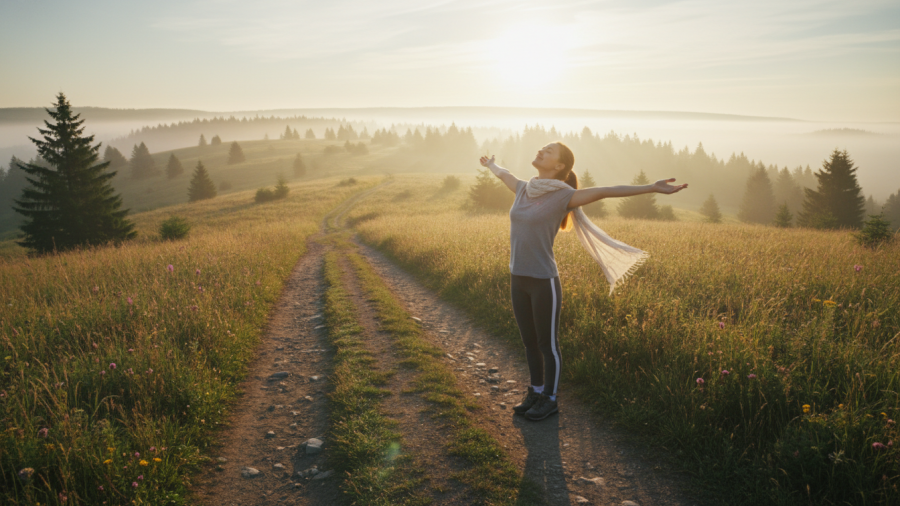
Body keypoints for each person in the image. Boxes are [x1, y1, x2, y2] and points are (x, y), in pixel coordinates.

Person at [479, 142, 687, 421]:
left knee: (547, 344)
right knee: (529, 342)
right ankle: (536, 391)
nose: (541, 150)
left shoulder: (565, 196)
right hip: (518, 278)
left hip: (544, 282)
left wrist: (651, 187)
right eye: (541, 147)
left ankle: (550, 400)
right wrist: (491, 164)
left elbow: (604, 192)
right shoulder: (523, 188)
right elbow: (503, 173)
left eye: (549, 151)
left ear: (560, 166)